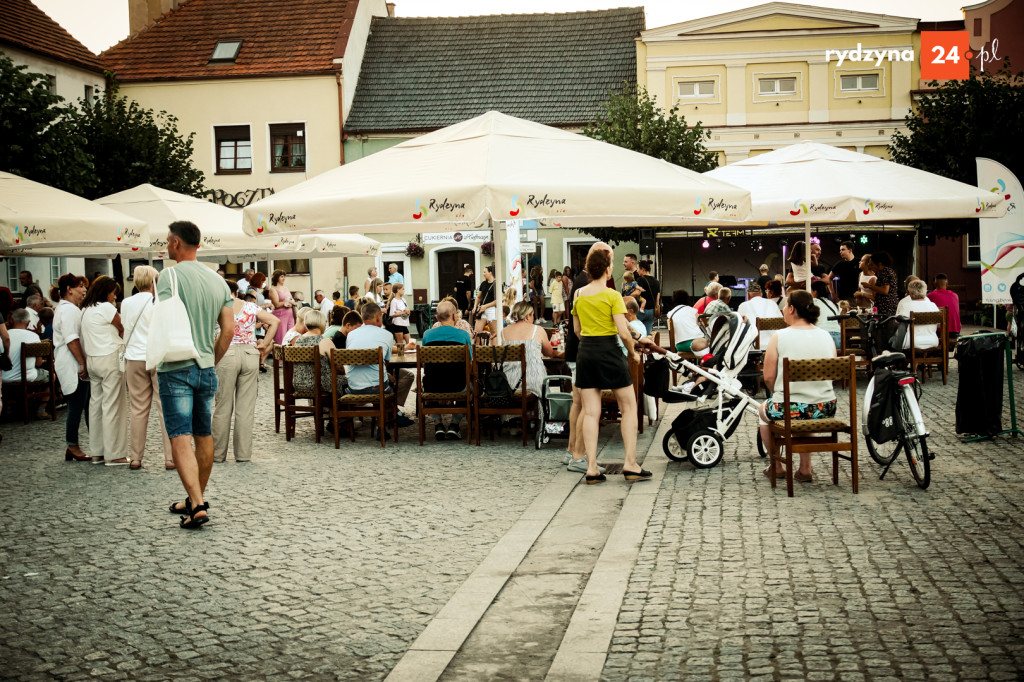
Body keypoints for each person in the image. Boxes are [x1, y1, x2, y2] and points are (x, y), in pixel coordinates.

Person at [160, 221, 234, 530]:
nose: (166, 245)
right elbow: (228, 331)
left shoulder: (168, 276)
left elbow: (162, 321)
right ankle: (194, 498)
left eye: (167, 241)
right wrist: (211, 359)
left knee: (179, 436)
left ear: (176, 243)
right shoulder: (219, 282)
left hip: (176, 367)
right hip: (206, 366)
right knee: (204, 434)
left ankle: (197, 504)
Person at [572, 246, 649, 484]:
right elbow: (623, 332)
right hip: (610, 352)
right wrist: (633, 353)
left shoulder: (579, 295)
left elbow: (576, 331)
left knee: (591, 412)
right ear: (607, 270)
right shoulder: (612, 296)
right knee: (628, 406)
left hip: (586, 353)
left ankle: (592, 467)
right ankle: (630, 463)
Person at [759, 290, 837, 482]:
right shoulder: (826, 336)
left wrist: (775, 393)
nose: (783, 310)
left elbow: (768, 377)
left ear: (792, 309)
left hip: (790, 407)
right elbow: (833, 374)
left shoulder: (779, 336)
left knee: (762, 411)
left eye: (785, 306)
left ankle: (777, 465)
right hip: (825, 407)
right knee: (804, 407)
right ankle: (805, 468)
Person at [212, 280, 279, 464]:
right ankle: (243, 455)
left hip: (226, 353)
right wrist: (265, 344)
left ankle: (218, 454)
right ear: (236, 292)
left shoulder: (216, 306)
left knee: (222, 406)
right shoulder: (250, 306)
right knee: (245, 409)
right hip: (250, 353)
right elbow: (275, 321)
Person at [121, 265, 173, 470]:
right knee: (164, 409)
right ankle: (170, 458)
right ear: (154, 281)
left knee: (138, 409)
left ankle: (135, 458)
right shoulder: (161, 301)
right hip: (158, 356)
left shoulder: (126, 303)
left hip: (134, 356)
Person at [79, 276, 128, 465]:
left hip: (92, 358)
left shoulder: (85, 309)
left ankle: (97, 451)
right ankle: (114, 454)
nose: (114, 297)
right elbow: (122, 326)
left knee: (96, 405)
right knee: (113, 405)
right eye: (113, 292)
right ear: (106, 291)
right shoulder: (106, 308)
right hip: (109, 357)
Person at [344, 302, 415, 431]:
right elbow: (386, 364)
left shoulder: (351, 335)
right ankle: (386, 420)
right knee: (389, 382)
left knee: (382, 378)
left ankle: (383, 420)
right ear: (378, 318)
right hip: (378, 389)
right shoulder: (386, 335)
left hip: (353, 388)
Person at [52, 274, 91, 461]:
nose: (84, 290)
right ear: (69, 289)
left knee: (82, 403)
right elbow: (71, 339)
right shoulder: (68, 310)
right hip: (71, 363)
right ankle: (72, 445)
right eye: (80, 286)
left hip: (70, 362)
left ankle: (87, 443)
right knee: (76, 405)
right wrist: (82, 362)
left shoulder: (68, 309)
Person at [421, 300, 473, 440]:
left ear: (437, 318)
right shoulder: (463, 336)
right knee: (471, 385)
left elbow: (425, 364)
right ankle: (454, 424)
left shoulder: (427, 335)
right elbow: (470, 364)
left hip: (432, 385)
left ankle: (438, 424)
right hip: (458, 385)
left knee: (425, 383)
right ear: (455, 316)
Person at [502, 300, 560, 399]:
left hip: (508, 382)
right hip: (534, 383)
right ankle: (540, 412)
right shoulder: (538, 330)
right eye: (533, 315)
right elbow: (549, 353)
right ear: (528, 316)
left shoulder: (504, 331)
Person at [2, 309, 51, 418]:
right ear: (28, 322)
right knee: (51, 376)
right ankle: (41, 409)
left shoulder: (3, 336)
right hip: (28, 377)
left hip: (4, 377)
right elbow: (38, 363)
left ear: (12, 320)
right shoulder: (32, 336)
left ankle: (9, 408)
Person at [737, 283, 784, 348]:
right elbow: (782, 323)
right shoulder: (772, 303)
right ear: (761, 294)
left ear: (748, 295)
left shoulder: (743, 305)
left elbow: (739, 328)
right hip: (775, 344)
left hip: (753, 347)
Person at [900, 280, 940, 350]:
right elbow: (939, 324)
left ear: (911, 294)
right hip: (933, 341)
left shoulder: (905, 306)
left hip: (911, 342)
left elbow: (898, 324)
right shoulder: (933, 306)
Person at [928, 273, 961, 340]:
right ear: (947, 284)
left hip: (939, 333)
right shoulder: (955, 295)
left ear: (934, 284)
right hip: (955, 332)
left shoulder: (930, 296)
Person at [864, 252, 898, 316]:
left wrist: (870, 286)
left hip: (886, 307)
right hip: (885, 306)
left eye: (872, 265)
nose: (870, 267)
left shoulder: (885, 272)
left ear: (879, 264)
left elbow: (885, 290)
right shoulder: (887, 272)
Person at [811, 280, 842, 349]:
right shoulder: (833, 304)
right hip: (838, 338)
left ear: (815, 292)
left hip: (822, 336)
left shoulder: (813, 303)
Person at [268, 269, 295, 345]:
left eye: (284, 277)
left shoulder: (286, 288)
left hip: (290, 314)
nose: (284, 278)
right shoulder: (273, 289)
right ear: (277, 278)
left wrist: (291, 302)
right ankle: (281, 354)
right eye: (282, 276)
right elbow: (276, 304)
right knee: (281, 335)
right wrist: (285, 302)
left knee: (291, 334)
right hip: (281, 314)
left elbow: (291, 299)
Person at [473, 266, 498, 342]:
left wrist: (486, 306)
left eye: (485, 272)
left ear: (490, 272)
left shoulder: (496, 284)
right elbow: (478, 296)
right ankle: (477, 349)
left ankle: (494, 350)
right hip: (481, 310)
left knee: (494, 333)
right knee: (477, 332)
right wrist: (475, 307)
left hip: (491, 309)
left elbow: (498, 300)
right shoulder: (483, 283)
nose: (483, 274)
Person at [635, 260, 661, 335]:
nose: (637, 271)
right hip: (651, 310)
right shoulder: (656, 281)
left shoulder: (640, 280)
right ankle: (647, 346)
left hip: (641, 310)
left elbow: (637, 293)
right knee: (647, 333)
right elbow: (657, 297)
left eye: (638, 268)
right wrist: (656, 306)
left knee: (637, 332)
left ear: (642, 269)